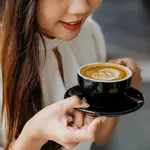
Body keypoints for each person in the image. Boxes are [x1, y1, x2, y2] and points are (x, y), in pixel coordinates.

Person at [0, 0, 142, 150]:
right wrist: (33, 137)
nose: (82, 8)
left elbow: (99, 137)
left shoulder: (88, 32)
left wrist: (117, 93)